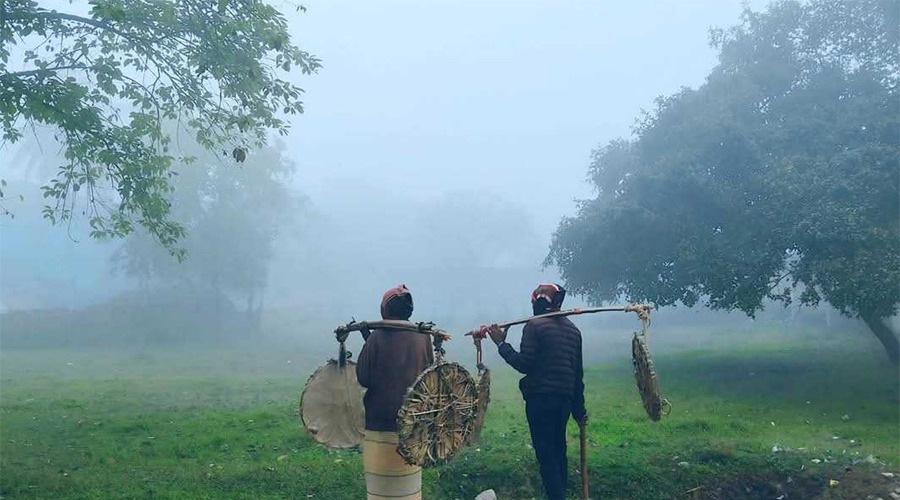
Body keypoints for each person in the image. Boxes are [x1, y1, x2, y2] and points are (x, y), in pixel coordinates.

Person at [484, 283, 587, 500]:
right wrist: (579, 410)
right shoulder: (573, 330)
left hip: (541, 400)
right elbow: (577, 376)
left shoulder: (534, 325)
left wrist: (502, 344)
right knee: (559, 451)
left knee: (547, 455)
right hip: (565, 402)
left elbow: (525, 364)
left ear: (537, 301)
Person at [355, 284, 433, 500]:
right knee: (407, 489)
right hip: (413, 424)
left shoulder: (377, 338)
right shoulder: (423, 337)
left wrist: (368, 342)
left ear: (385, 310)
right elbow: (428, 374)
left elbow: (363, 377)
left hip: (381, 424)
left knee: (383, 490)